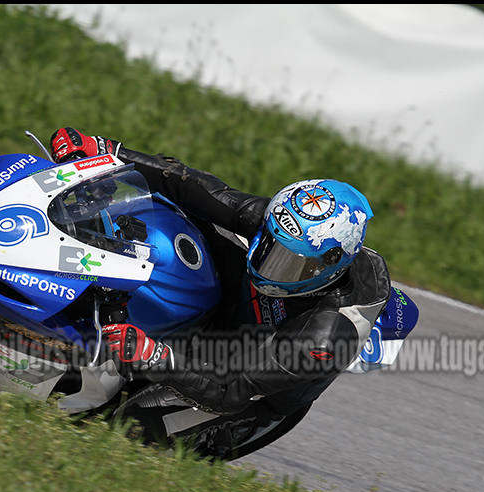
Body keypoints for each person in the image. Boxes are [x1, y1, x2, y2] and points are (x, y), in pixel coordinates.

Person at [48, 128, 393, 455]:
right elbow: (197, 188)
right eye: (270, 247)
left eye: (290, 264)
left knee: (125, 432)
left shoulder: (323, 338)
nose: (269, 266)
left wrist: (153, 354)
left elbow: (232, 389)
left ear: (328, 268)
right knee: (173, 220)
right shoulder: (290, 227)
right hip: (235, 308)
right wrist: (109, 152)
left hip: (249, 388)